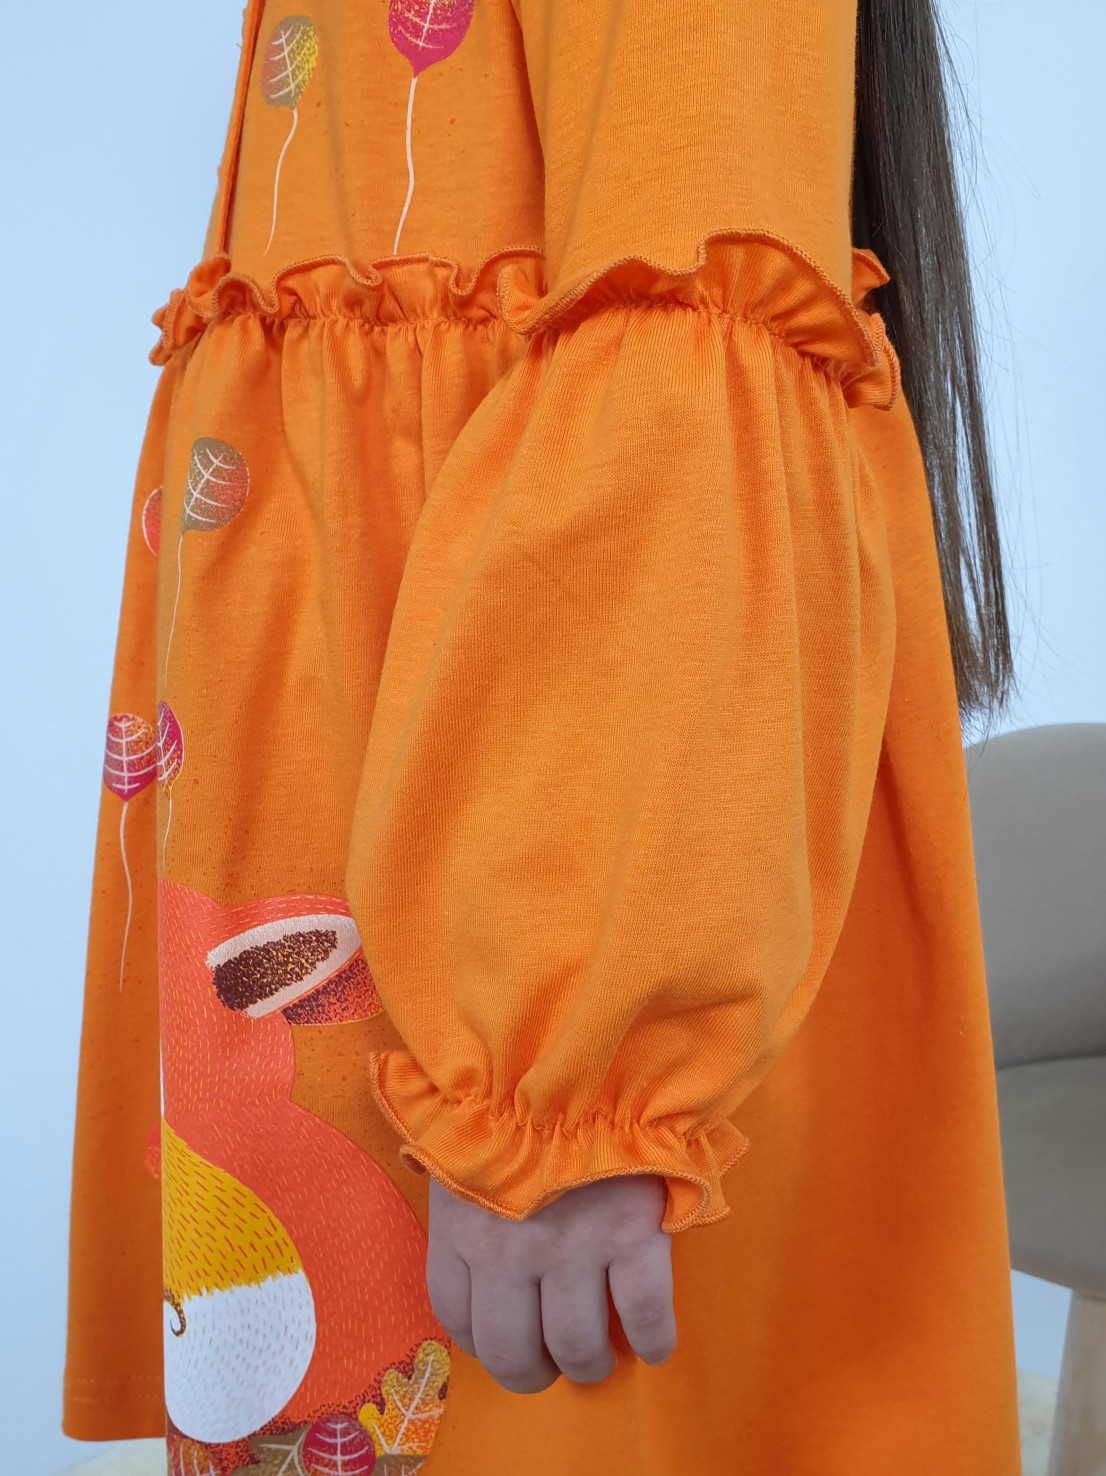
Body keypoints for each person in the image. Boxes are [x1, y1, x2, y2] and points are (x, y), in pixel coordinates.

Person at [64, 0, 1024, 1471]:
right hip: (401, 898)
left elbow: (676, 382)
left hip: (557, 967)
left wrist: (561, 1091)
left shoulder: (552, 1075)